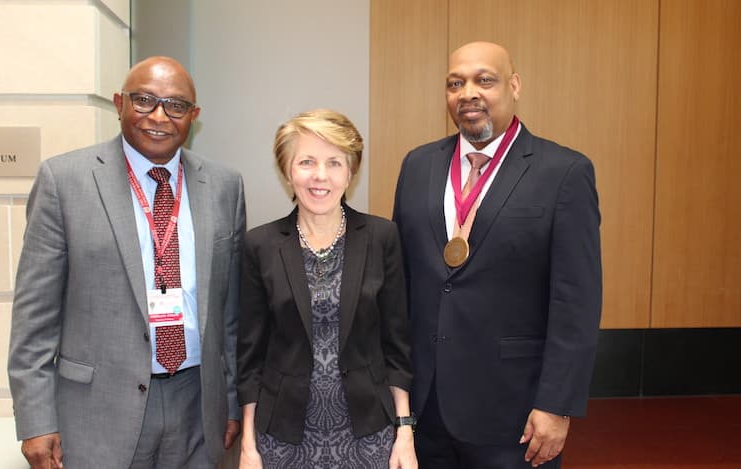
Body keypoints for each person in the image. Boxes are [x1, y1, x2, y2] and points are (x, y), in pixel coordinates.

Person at [8, 56, 244, 469]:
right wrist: (35, 420)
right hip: (96, 411)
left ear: (194, 116)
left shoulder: (225, 186)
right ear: (119, 103)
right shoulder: (64, 181)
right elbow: (34, 318)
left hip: (196, 404)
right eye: (144, 100)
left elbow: (231, 314)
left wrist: (229, 400)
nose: (159, 116)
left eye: (175, 105)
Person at [392, 41, 603, 468]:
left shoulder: (563, 172)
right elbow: (403, 285)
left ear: (514, 85)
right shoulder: (417, 166)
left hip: (515, 412)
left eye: (484, 80)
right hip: (425, 408)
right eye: (455, 83)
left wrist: (557, 405)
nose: (468, 92)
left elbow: (576, 301)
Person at [236, 109, 417, 469]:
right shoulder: (261, 244)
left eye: (334, 162)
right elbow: (250, 358)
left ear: (350, 171)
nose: (321, 176)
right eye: (306, 161)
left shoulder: (382, 238)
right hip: (282, 436)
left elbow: (397, 349)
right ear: (288, 170)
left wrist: (405, 432)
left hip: (368, 433)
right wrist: (247, 444)